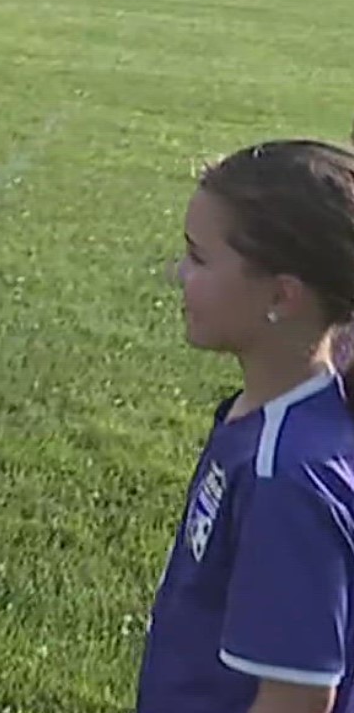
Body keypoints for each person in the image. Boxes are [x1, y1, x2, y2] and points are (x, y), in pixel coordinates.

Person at [138, 139, 354, 713]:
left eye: (199, 258)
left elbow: (298, 698)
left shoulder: (285, 477)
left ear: (282, 295)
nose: (176, 273)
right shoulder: (266, 418)